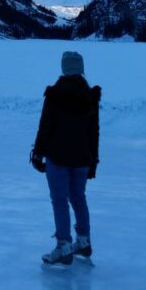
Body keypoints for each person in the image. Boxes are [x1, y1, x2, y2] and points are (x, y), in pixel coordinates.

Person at [30, 50, 101, 266]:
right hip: (81, 158)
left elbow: (46, 127)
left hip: (57, 157)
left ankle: (63, 246)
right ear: (80, 68)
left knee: (60, 200)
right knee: (78, 197)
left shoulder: (54, 94)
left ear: (64, 68)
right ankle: (83, 240)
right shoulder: (90, 96)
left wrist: (38, 154)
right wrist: (93, 161)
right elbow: (94, 131)